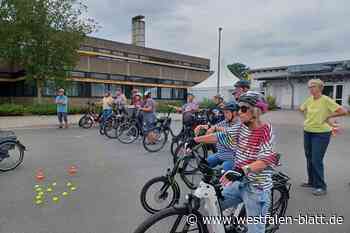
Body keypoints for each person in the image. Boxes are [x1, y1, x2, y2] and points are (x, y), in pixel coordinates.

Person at [188, 91, 275, 233]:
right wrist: (195, 141)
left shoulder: (265, 130)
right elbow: (221, 136)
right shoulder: (241, 127)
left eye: (244, 108)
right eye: (239, 108)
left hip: (256, 187)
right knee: (213, 207)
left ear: (256, 111)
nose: (239, 112)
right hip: (239, 183)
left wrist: (242, 170)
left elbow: (265, 160)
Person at [299, 79, 347, 196]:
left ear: (320, 88)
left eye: (313, 86)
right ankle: (311, 181)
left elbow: (343, 111)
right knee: (309, 157)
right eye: (309, 87)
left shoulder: (325, 100)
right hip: (308, 132)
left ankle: (321, 186)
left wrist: (329, 115)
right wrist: (307, 119)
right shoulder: (310, 99)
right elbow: (301, 109)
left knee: (316, 160)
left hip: (321, 134)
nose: (310, 89)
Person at [195, 101, 240, 172]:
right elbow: (214, 126)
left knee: (225, 169)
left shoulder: (239, 124)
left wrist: (215, 128)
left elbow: (227, 131)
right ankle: (207, 182)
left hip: (233, 157)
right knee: (205, 164)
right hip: (221, 154)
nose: (225, 115)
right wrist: (201, 126)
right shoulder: (226, 121)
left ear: (234, 113)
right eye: (224, 112)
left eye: (227, 112)